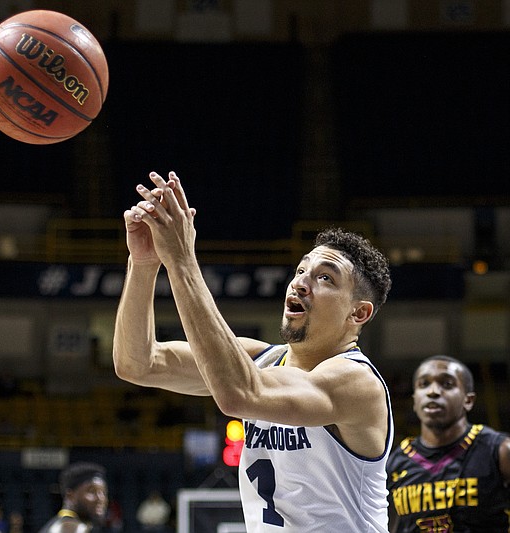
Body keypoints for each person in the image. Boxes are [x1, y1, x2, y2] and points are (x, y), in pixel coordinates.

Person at [113, 171, 394, 532]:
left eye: (325, 278)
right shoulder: (259, 361)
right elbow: (137, 363)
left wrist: (182, 261)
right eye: (301, 270)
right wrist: (144, 264)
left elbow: (239, 394)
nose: (301, 282)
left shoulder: (356, 382)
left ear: (358, 313)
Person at [386, 355, 510, 532]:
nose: (433, 391)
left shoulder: (499, 451)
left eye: (447, 384)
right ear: (414, 401)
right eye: (424, 384)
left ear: (468, 400)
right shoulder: (394, 463)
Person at [38, 462, 108, 533]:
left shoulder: (58, 524)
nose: (101, 498)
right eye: (92, 492)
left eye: (103, 493)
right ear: (70, 496)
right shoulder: (71, 528)